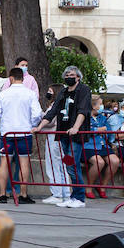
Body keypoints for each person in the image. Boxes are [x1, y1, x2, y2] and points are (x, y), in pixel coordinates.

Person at [36, 65, 91, 207]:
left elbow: (83, 110)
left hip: (76, 135)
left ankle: (79, 198)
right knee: (68, 164)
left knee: (73, 164)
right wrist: (40, 127)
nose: (69, 77)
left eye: (72, 74)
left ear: (78, 77)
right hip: (63, 134)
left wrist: (76, 127)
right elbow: (53, 111)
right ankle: (72, 196)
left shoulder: (84, 90)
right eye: (66, 75)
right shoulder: (63, 92)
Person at [0, 67, 38, 205]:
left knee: (4, 163)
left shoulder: (4, 94)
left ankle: (2, 194)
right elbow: (36, 114)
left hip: (8, 132)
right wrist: (31, 124)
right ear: (23, 78)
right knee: (24, 163)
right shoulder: (30, 94)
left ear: (11, 78)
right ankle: (23, 194)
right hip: (24, 132)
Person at [84, 95, 118, 199]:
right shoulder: (84, 117)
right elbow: (85, 131)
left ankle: (102, 186)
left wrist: (99, 131)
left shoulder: (103, 118)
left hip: (103, 145)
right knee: (99, 162)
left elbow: (108, 131)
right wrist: (98, 130)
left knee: (115, 161)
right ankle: (88, 187)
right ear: (93, 106)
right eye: (100, 104)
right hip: (88, 146)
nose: (102, 106)